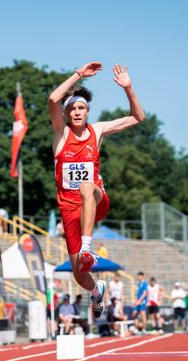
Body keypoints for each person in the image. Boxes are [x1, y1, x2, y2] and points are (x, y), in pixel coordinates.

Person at [49, 61, 145, 319]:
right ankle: (96, 291)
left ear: (88, 111)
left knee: (87, 185)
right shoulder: (60, 135)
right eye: (72, 109)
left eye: (82, 108)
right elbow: (53, 98)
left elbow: (138, 117)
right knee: (80, 274)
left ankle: (87, 248)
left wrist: (128, 88)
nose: (77, 112)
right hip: (70, 211)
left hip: (95, 199)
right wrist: (79, 74)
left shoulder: (98, 130)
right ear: (67, 114)